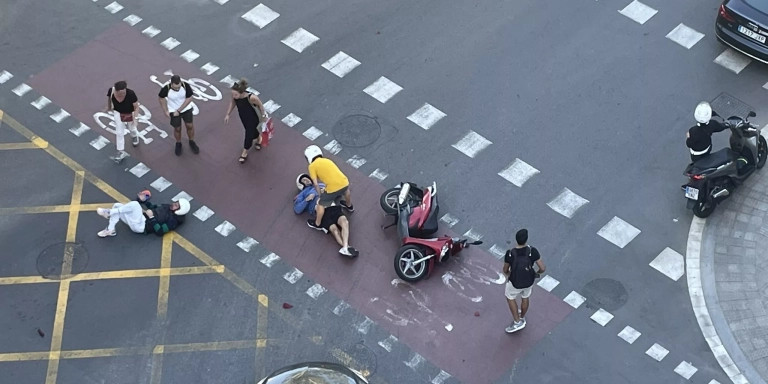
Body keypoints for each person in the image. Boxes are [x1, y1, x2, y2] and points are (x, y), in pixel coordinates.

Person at [294, 174, 359, 257]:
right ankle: (346, 247)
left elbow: (337, 193)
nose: (306, 180)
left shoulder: (321, 185)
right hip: (321, 212)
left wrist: (327, 191)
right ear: (301, 185)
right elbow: (297, 209)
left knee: (345, 222)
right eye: (303, 181)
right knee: (334, 230)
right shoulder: (303, 194)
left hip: (332, 206)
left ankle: (345, 247)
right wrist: (307, 199)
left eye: (306, 178)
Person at [503, 229, 546, 334]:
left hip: (515, 282)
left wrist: (510, 275)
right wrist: (536, 273)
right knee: (525, 298)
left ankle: (517, 322)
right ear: (526, 240)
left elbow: (505, 270)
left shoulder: (510, 253)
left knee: (510, 298)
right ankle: (522, 317)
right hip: (529, 281)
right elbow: (542, 268)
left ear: (516, 240)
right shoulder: (532, 251)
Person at [303, 145, 354, 233]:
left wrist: (320, 195)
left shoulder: (312, 166)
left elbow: (315, 183)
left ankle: (317, 224)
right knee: (346, 190)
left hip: (333, 188)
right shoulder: (327, 160)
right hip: (344, 182)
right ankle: (349, 206)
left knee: (320, 204)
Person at [95, 192, 190, 237]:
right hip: (140, 219)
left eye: (176, 205)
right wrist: (144, 201)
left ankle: (108, 212)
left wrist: (152, 217)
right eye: (175, 202)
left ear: (180, 210)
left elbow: (160, 231)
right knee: (117, 206)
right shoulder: (167, 206)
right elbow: (153, 207)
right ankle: (111, 230)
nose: (173, 204)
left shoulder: (173, 221)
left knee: (135, 205)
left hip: (142, 226)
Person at [223, 78, 267, 164]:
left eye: (235, 94)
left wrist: (263, 115)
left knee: (248, 134)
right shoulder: (235, 97)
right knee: (251, 130)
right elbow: (232, 103)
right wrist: (228, 114)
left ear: (241, 92)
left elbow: (260, 105)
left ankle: (245, 152)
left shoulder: (251, 97)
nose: (233, 96)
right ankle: (259, 138)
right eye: (233, 94)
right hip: (243, 116)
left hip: (253, 117)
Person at [158, 75, 199, 156]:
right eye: (176, 87)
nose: (178, 88)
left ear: (180, 82)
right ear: (171, 84)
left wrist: (179, 110)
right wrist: (165, 110)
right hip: (173, 111)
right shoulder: (166, 88)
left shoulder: (185, 85)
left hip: (185, 109)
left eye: (179, 86)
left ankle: (191, 141)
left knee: (189, 125)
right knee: (177, 128)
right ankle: (178, 143)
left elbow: (189, 98)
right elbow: (161, 98)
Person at [105, 81, 140, 163]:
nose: (123, 94)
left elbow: (136, 107)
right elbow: (109, 99)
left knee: (132, 128)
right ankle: (121, 151)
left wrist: (135, 118)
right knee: (119, 132)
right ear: (116, 91)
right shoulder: (111, 91)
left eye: (124, 92)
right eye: (121, 93)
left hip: (129, 113)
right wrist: (109, 107)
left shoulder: (131, 93)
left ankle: (134, 136)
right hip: (118, 112)